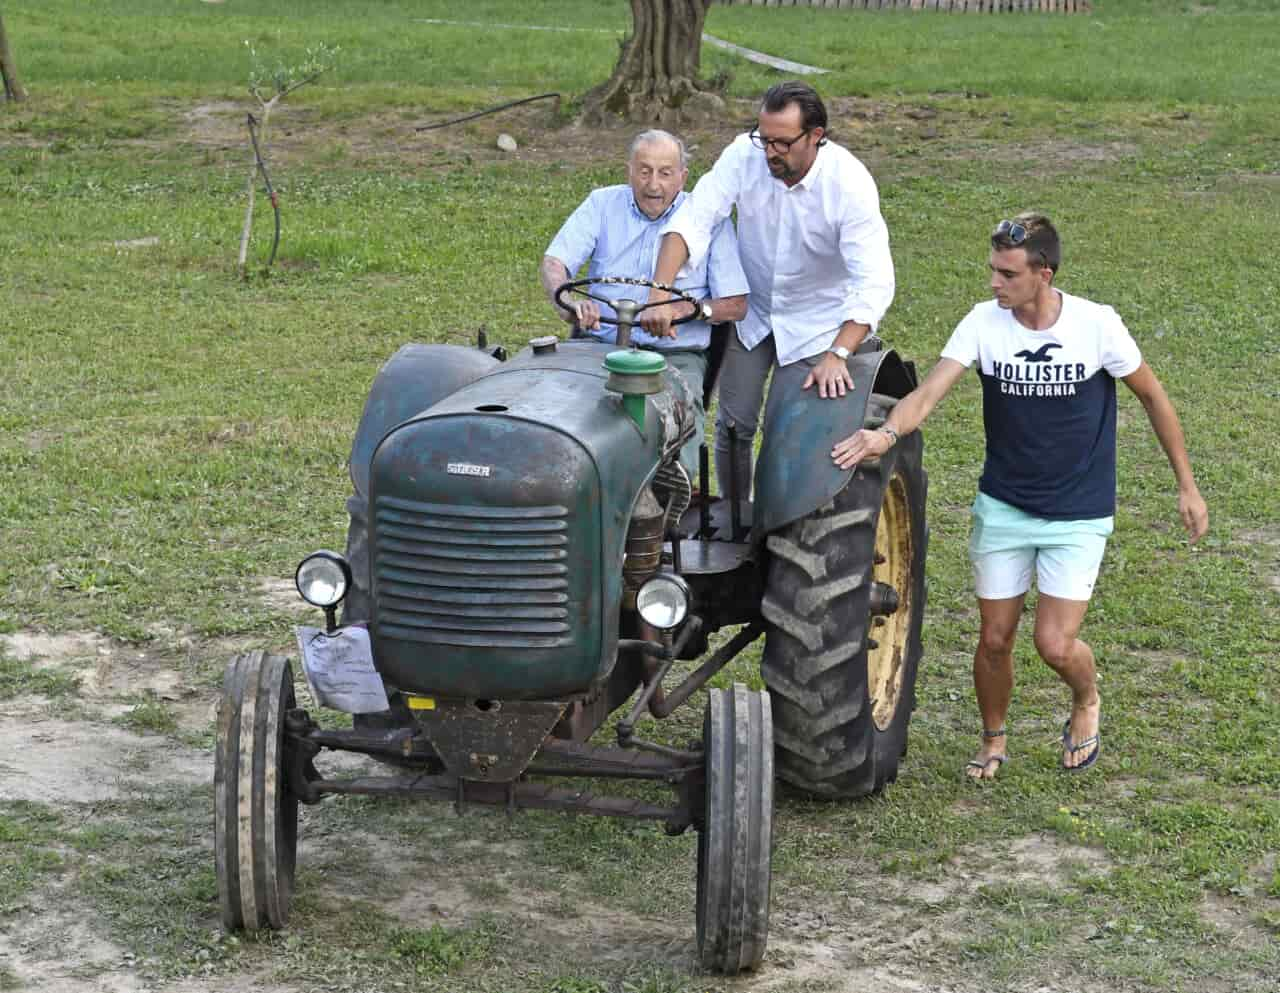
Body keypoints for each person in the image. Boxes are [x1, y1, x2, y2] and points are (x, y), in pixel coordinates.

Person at [830, 212, 1209, 779]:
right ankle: (993, 737)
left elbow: (1153, 398)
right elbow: (930, 393)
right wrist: (885, 434)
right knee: (994, 639)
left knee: (1055, 645)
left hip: (1078, 513)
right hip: (1005, 505)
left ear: (1044, 275)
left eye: (1006, 274)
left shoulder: (1097, 326)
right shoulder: (984, 324)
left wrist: (1187, 485)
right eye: (993, 271)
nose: (994, 284)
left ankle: (1086, 699)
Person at [639, 80, 894, 500]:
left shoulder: (849, 184)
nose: (770, 151)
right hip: (754, 314)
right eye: (764, 139)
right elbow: (694, 221)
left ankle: (773, 531)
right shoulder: (745, 154)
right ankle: (736, 517)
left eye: (782, 142)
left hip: (819, 324)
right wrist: (659, 295)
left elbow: (874, 280)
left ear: (816, 136)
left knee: (786, 433)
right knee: (734, 425)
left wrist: (839, 353)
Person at [540, 129, 749, 476]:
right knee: (555, 417)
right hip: (597, 344)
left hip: (673, 354)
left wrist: (686, 310)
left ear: (683, 176)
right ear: (629, 171)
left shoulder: (709, 220)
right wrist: (571, 304)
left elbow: (736, 304)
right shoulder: (602, 204)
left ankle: (671, 495)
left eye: (665, 173)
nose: (654, 185)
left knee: (676, 418)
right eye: (645, 171)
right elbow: (554, 263)